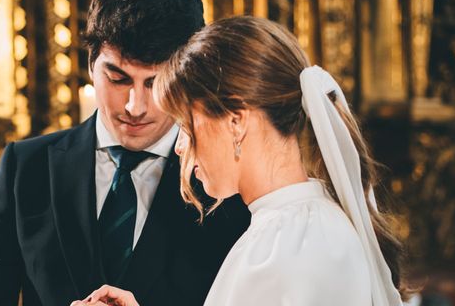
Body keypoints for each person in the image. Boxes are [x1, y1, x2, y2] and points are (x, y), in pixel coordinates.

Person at [0, 0, 250, 306]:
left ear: (187, 75)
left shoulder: (228, 184)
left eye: (156, 83)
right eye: (118, 79)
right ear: (91, 64)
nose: (135, 106)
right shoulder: (26, 167)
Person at [76, 16, 409, 306]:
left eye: (187, 126)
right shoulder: (304, 224)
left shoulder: (281, 247)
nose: (180, 147)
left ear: (235, 122)